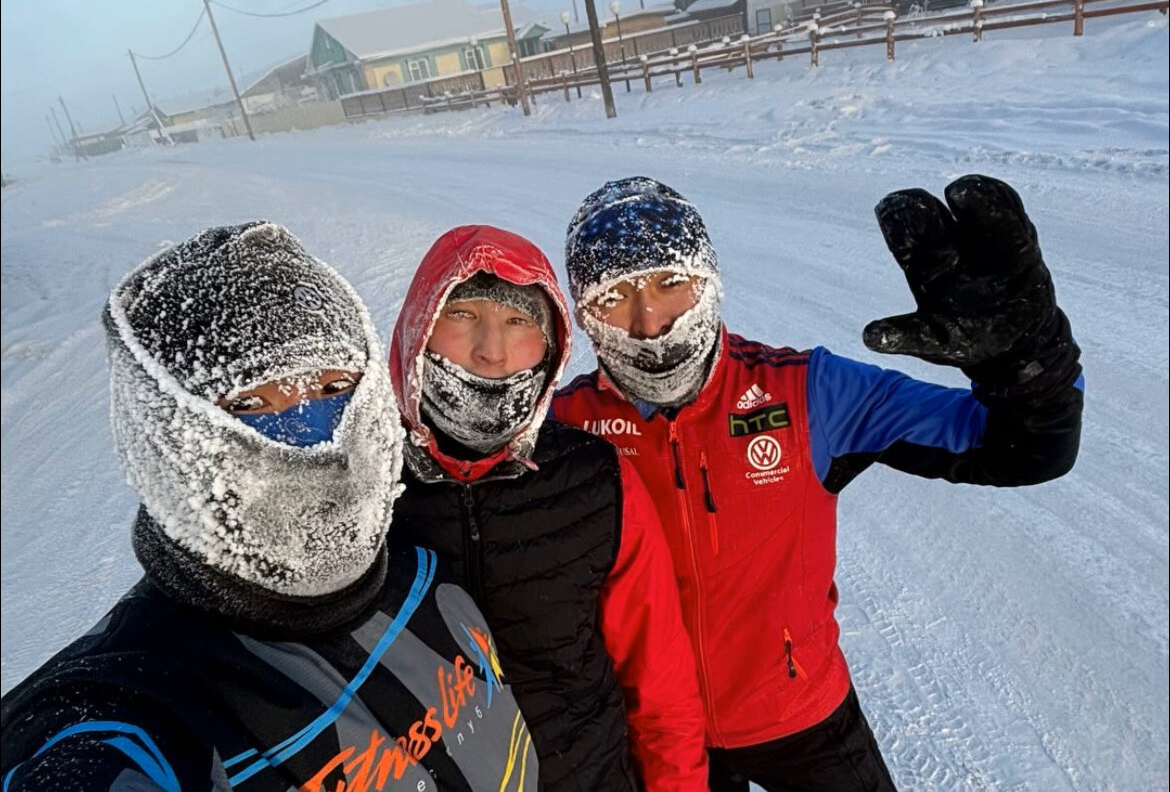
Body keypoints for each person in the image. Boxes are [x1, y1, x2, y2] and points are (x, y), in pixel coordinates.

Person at [550, 175, 1083, 792]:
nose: (649, 322)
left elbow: (1024, 449)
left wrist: (1027, 360)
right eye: (614, 295)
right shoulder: (564, 426)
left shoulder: (806, 393)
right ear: (583, 312)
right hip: (658, 735)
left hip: (801, 715)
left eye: (672, 282)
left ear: (709, 281)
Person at [1, 222, 539, 791]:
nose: (314, 440)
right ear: (166, 438)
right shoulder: (126, 712)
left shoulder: (428, 580)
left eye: (334, 388)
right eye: (252, 401)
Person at [386, 224, 709, 792]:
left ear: (553, 343)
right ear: (419, 327)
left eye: (519, 321)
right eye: (462, 315)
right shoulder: (363, 484)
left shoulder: (596, 479)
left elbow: (661, 688)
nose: (493, 351)